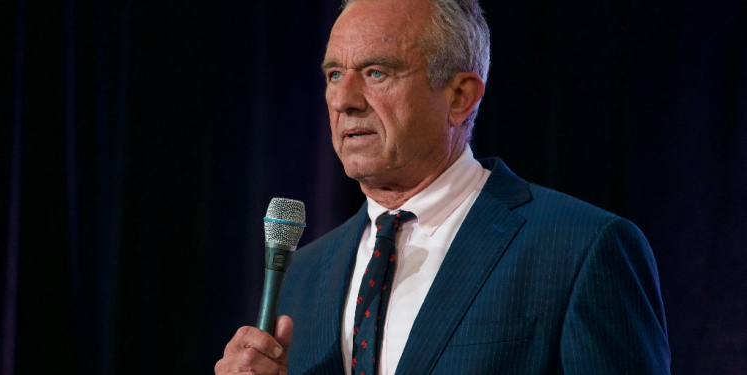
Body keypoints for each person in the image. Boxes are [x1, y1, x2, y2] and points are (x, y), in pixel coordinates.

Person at [215, 0, 671, 373]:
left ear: (460, 96)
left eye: (376, 72)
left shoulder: (581, 249)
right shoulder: (305, 272)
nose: (343, 100)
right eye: (334, 74)